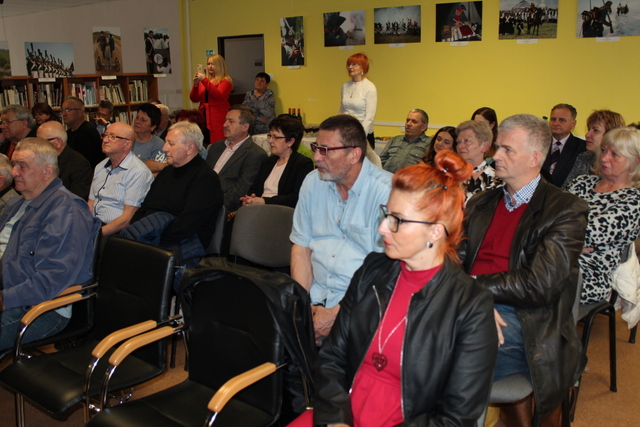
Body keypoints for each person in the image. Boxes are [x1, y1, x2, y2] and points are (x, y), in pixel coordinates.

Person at [292, 151, 496, 427]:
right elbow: (332, 358)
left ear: (435, 231)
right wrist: (337, 419)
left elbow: (455, 417)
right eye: (386, 214)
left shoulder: (470, 305)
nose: (382, 228)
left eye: (397, 220)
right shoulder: (372, 271)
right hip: (341, 411)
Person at [461, 114, 588, 423]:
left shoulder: (565, 209)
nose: (496, 156)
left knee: (443, 355)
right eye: (497, 147)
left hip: (527, 317)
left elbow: (540, 284)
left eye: (507, 149)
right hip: (468, 303)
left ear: (534, 158)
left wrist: (472, 288)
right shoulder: (481, 202)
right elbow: (453, 258)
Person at [290, 115, 392, 340]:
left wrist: (338, 315)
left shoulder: (387, 192)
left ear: (354, 154)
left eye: (325, 150)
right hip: (315, 298)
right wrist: (302, 305)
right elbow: (301, 247)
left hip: (363, 308)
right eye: (316, 147)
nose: (317, 157)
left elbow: (387, 273)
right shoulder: (312, 182)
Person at [0, 138, 100, 351]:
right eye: (13, 164)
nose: (14, 172)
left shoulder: (66, 209)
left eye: (22, 166)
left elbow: (53, 278)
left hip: (39, 307)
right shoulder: (16, 203)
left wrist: (4, 299)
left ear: (47, 172)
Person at [128, 122, 223, 277]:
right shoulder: (167, 172)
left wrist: (149, 238)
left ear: (190, 148)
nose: (164, 148)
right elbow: (145, 207)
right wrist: (138, 230)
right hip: (155, 235)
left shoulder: (206, 179)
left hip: (183, 243)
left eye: (170, 144)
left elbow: (187, 225)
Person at [567, 127, 640, 304]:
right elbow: (544, 217)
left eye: (615, 154)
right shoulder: (581, 183)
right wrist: (572, 244)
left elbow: (587, 235)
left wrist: (563, 240)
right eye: (604, 150)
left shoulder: (633, 201)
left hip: (585, 276)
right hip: (550, 260)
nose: (604, 158)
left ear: (635, 161)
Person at [89, 122, 153, 236]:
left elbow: (127, 219)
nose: (105, 140)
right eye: (105, 135)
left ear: (127, 144)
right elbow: (91, 203)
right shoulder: (100, 166)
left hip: (116, 233)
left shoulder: (137, 172)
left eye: (113, 137)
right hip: (94, 225)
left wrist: (95, 235)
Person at [240, 115, 313, 209]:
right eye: (270, 136)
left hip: (283, 212)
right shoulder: (268, 161)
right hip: (259, 210)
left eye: (276, 137)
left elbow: (296, 198)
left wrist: (264, 201)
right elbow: (254, 189)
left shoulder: (302, 163)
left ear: (290, 141)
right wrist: (251, 199)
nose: (270, 140)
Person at [206, 105, 267, 212]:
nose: (225, 124)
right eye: (225, 120)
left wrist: (212, 207)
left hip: (222, 208)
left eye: (231, 121)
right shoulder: (215, 147)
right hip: (201, 200)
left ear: (245, 127)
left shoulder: (255, 154)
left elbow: (241, 190)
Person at [562, 109, 625, 189]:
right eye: (589, 129)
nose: (587, 135)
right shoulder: (584, 157)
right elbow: (566, 189)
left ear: (610, 135)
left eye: (596, 130)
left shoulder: (620, 165)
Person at [37, 120, 92, 201]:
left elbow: (76, 200)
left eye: (41, 142)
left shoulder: (79, 164)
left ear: (58, 142)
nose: (37, 146)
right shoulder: (40, 160)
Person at [190, 54, 233, 145]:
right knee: (203, 140)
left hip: (218, 116)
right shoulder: (205, 81)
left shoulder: (225, 81)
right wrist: (196, 85)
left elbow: (218, 94)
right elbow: (194, 98)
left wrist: (204, 80)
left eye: (213, 64)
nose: (210, 66)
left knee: (217, 141)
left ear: (219, 65)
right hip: (204, 115)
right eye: (208, 64)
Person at [542, 103, 586, 188]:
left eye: (562, 120)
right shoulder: (539, 144)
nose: (556, 123)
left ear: (573, 124)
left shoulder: (582, 148)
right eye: (553, 119)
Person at [456, 120, 502, 203]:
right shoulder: (449, 175)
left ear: (484, 146)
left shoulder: (495, 180)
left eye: (467, 141)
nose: (460, 146)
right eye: (458, 142)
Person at [339, 53, 377, 150]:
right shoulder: (345, 86)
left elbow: (369, 117)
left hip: (363, 135)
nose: (350, 67)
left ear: (363, 67)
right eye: (349, 64)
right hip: (346, 134)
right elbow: (342, 111)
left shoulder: (370, 87)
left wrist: (358, 136)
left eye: (354, 64)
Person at [379, 109, 431, 173]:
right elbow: (380, 161)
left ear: (423, 127)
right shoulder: (395, 140)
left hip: (411, 178)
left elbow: (428, 169)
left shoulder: (430, 144)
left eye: (414, 121)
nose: (408, 124)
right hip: (386, 176)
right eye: (407, 120)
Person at [62, 96, 104, 168]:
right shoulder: (67, 133)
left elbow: (83, 162)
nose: (64, 114)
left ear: (80, 112)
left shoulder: (88, 132)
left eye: (68, 110)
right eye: (63, 110)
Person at [132, 103, 167, 175]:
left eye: (143, 120)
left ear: (153, 127)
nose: (137, 121)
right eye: (137, 117)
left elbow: (159, 173)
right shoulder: (127, 139)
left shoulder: (158, 145)